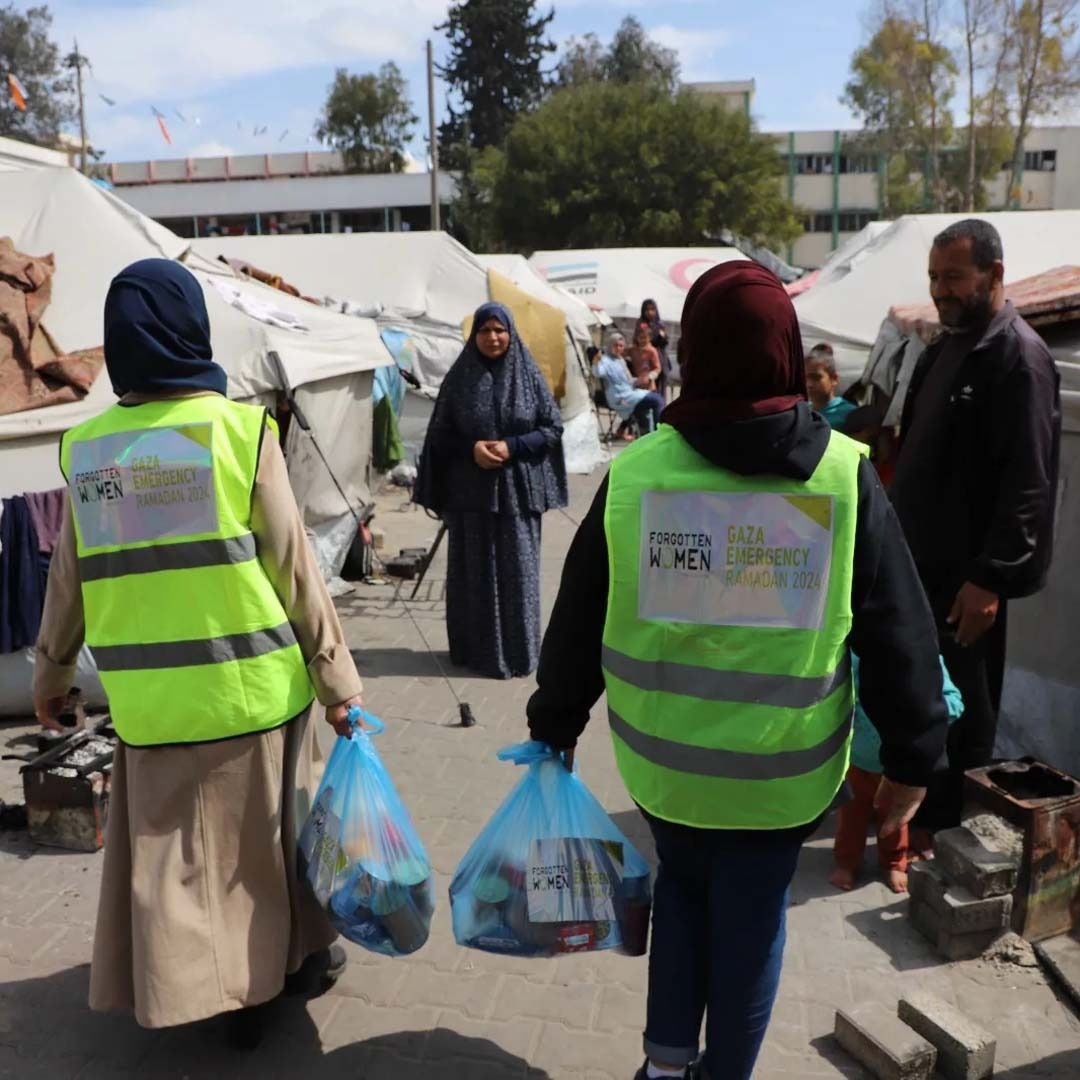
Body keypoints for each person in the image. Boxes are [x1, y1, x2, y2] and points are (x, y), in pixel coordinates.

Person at [526, 261, 949, 1080]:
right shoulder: (842, 475)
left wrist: (555, 727)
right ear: (786, 352)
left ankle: (663, 1065)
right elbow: (901, 631)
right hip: (780, 779)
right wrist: (913, 761)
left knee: (680, 899)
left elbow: (577, 620)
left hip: (666, 772)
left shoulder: (639, 474)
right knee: (752, 924)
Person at [32, 260, 365, 1048]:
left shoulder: (88, 450)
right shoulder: (240, 431)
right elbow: (296, 572)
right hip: (251, 695)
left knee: (176, 869)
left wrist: (51, 675)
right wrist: (338, 682)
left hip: (151, 706)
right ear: (190, 329)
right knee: (262, 854)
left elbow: (67, 582)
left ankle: (187, 989)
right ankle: (267, 988)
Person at [890, 219, 1061, 832]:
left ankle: (953, 828)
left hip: (968, 580)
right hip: (920, 568)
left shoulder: (1019, 358)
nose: (941, 290)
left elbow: (1029, 484)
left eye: (954, 277)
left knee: (967, 703)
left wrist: (991, 579)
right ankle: (918, 810)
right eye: (935, 277)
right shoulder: (949, 346)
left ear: (994, 274)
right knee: (923, 693)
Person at [413, 302, 568, 679]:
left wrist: (512, 447)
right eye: (485, 331)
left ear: (511, 334)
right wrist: (472, 450)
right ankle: (473, 652)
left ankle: (519, 654)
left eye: (500, 330)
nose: (493, 338)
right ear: (474, 335)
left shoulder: (529, 376)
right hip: (470, 495)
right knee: (474, 573)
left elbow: (552, 428)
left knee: (519, 573)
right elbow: (439, 434)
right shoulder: (459, 377)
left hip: (518, 494)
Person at [830, 655, 964, 894]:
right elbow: (834, 699)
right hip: (856, 760)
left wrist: (924, 714)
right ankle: (847, 863)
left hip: (899, 766)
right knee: (851, 816)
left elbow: (954, 702)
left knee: (895, 818)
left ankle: (893, 863)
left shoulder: (926, 658)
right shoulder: (855, 656)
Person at [595, 331, 664, 436]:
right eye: (616, 345)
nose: (618, 348)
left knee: (643, 408)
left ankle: (645, 436)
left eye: (621, 346)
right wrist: (596, 361)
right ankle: (659, 434)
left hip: (629, 392)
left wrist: (639, 380)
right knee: (657, 400)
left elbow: (627, 380)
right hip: (620, 397)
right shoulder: (606, 360)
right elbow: (598, 372)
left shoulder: (620, 360)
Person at [805, 343, 856, 431]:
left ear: (834, 379)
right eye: (804, 378)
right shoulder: (802, 412)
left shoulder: (850, 414)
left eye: (816, 377)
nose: (809, 384)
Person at [640, 298, 672, 393]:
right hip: (646, 362)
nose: (650, 312)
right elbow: (643, 340)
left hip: (661, 359)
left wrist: (662, 338)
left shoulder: (660, 324)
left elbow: (665, 341)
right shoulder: (642, 324)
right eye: (647, 309)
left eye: (652, 309)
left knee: (661, 388)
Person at [629, 321, 663, 392]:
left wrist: (650, 377)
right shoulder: (633, 350)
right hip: (636, 383)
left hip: (649, 385)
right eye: (640, 338)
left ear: (649, 338)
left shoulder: (652, 351)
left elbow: (658, 368)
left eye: (645, 338)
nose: (642, 340)